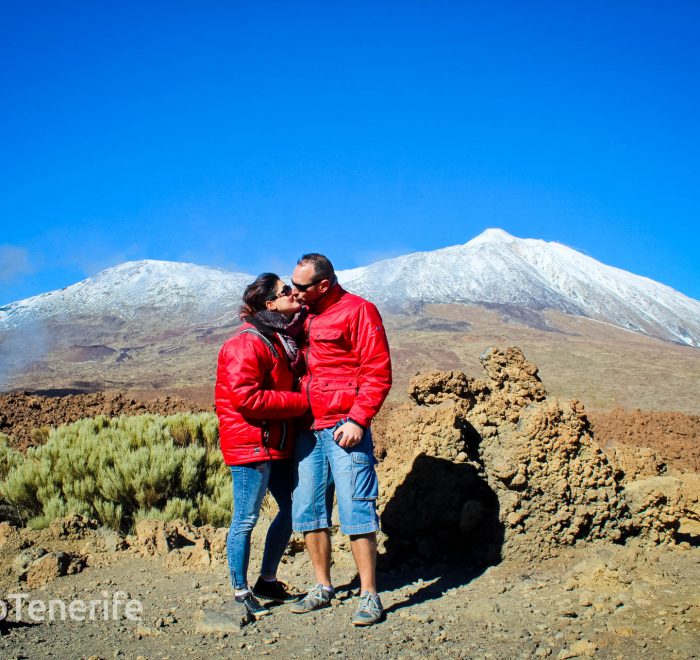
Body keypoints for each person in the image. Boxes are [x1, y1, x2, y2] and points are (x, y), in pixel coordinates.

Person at [288, 253, 392, 626]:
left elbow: (377, 371)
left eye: (301, 286)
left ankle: (369, 594)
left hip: (343, 427)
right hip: (307, 428)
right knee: (310, 510)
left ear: (324, 285)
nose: (294, 291)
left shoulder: (360, 311)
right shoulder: (305, 314)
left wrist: (359, 419)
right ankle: (322, 586)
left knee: (356, 510)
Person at [215, 273, 308, 620]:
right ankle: (241, 592)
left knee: (292, 507)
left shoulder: (278, 338)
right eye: (287, 292)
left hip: (273, 444)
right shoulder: (247, 343)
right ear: (270, 304)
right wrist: (302, 402)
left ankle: (267, 580)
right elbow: (247, 398)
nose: (294, 294)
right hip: (251, 444)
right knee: (245, 519)